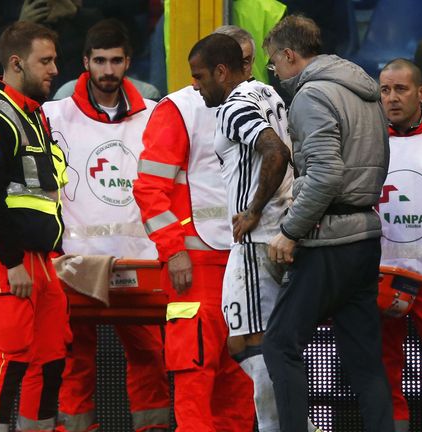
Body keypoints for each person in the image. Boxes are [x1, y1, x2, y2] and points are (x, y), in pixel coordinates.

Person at [262, 15, 394, 432]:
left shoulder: (311, 96)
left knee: (280, 344)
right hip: (364, 236)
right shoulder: (365, 91)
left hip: (328, 239)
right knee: (365, 362)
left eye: (274, 64)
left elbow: (325, 174)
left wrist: (289, 230)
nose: (275, 74)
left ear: (288, 54)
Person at [43, 19, 171, 432]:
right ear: (85, 62)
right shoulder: (52, 116)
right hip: (75, 262)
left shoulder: (156, 116)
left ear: (128, 62)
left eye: (116, 61)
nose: (108, 70)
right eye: (100, 61)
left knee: (150, 357)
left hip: (141, 262)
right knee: (74, 361)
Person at [133, 29, 256, 432]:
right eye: (238, 62)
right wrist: (174, 250)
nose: (245, 71)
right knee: (194, 373)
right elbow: (150, 189)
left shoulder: (261, 103)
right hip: (197, 263)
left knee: (243, 377)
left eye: (250, 62)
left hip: (245, 263)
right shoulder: (181, 108)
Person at [0, 21, 71, 431]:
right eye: (45, 61)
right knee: (8, 357)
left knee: (51, 358)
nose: (54, 69)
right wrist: (11, 262)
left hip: (40, 259)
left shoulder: (34, 116)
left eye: (54, 60)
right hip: (3, 257)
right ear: (15, 63)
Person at [189, 32, 294, 432]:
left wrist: (252, 210)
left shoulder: (234, 105)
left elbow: (276, 151)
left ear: (221, 71)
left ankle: (280, 423)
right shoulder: (269, 94)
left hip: (257, 242)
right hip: (281, 234)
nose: (196, 87)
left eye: (199, 77)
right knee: (266, 341)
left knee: (248, 342)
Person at [377, 58, 422, 432]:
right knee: (383, 374)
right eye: (385, 89)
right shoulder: (367, 139)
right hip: (380, 276)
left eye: (400, 89)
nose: (391, 98)